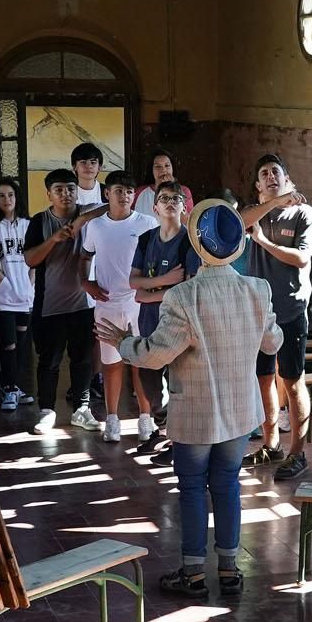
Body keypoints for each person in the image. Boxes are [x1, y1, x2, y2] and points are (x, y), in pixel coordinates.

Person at [98, 199, 280, 598]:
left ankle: (194, 573)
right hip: (239, 411)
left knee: (194, 487)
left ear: (196, 246)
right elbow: (271, 342)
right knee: (229, 483)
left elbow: (156, 355)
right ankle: (230, 571)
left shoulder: (183, 296)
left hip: (196, 413)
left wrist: (125, 343)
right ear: (239, 245)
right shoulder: (257, 290)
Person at [241, 154, 312, 479]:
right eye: (264, 174)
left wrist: (262, 240)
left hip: (290, 310)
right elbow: (238, 221)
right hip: (258, 311)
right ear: (258, 185)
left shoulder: (304, 214)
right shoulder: (256, 213)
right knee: (262, 378)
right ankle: (271, 443)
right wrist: (268, 205)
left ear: (288, 180)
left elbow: (302, 259)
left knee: (292, 379)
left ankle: (297, 453)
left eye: (277, 172)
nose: (271, 176)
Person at [80, 170, 158, 442]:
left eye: (128, 191)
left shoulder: (148, 223)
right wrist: (85, 283)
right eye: (118, 191)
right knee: (112, 364)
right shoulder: (96, 226)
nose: (124, 196)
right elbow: (85, 256)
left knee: (142, 362)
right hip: (107, 303)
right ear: (107, 194)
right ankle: (112, 419)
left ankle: (145, 419)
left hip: (140, 303)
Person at [25, 168, 98, 432]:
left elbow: (107, 208)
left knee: (83, 359)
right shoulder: (39, 221)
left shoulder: (88, 213)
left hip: (82, 304)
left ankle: (82, 408)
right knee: (49, 361)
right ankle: (47, 411)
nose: (65, 194)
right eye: (59, 190)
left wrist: (81, 221)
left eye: (70, 188)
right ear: (49, 194)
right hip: (49, 305)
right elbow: (30, 259)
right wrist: (54, 239)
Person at [128, 180, 199, 452]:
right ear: (155, 206)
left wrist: (150, 290)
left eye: (176, 199)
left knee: (179, 383)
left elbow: (187, 289)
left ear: (184, 207)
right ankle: (161, 430)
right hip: (149, 322)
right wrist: (166, 280)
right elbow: (134, 284)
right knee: (150, 382)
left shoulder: (189, 244)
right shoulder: (147, 239)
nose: (170, 202)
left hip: (178, 325)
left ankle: (177, 442)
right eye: (165, 198)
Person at [0, 178, 34, 411]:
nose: (6, 200)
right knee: (8, 344)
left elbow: (35, 261)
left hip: (26, 297)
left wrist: (29, 287)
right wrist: (11, 288)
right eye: (1, 195)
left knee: (21, 346)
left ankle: (12, 384)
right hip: (2, 297)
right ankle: (10, 389)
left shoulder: (28, 225)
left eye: (10, 195)